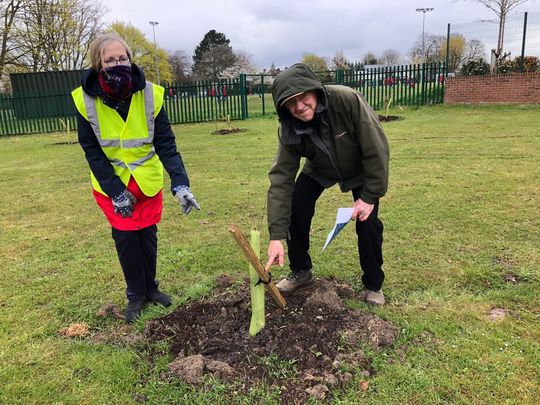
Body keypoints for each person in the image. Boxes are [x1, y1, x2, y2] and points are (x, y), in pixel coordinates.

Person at [71, 33, 200, 323]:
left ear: (130, 59)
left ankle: (152, 289)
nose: (118, 63)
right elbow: (92, 152)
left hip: (146, 179)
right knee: (127, 238)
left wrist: (180, 183)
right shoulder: (84, 100)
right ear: (98, 64)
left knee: (147, 235)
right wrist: (116, 191)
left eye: (123, 58)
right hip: (112, 183)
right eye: (110, 59)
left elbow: (166, 144)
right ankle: (136, 295)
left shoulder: (151, 94)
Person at [264, 63, 389, 306]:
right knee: (296, 206)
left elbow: (376, 147)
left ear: (315, 91)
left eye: (303, 97)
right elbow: (281, 180)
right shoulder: (289, 127)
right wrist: (276, 235)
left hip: (360, 167)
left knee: (368, 223)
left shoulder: (346, 100)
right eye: (291, 103)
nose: (299, 106)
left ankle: (373, 284)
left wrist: (369, 196)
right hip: (319, 168)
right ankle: (301, 271)